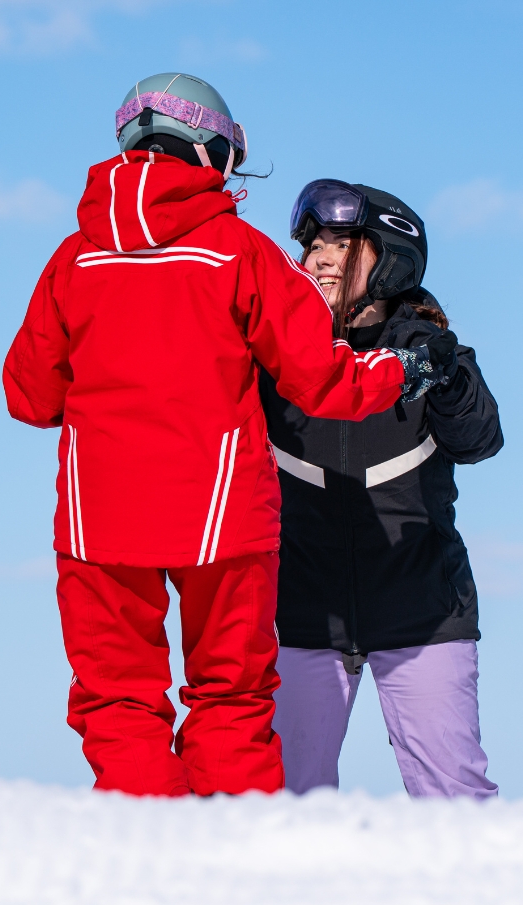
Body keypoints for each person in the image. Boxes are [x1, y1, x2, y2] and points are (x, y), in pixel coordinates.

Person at [3, 78, 451, 798]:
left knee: (118, 698)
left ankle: (145, 852)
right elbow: (323, 380)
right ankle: (229, 858)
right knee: (232, 696)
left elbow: (27, 395)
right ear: (211, 152)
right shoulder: (240, 254)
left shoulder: (72, 262)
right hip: (223, 519)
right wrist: (398, 371)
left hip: (98, 518)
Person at [261, 179, 502, 799]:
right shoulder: (279, 359)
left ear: (391, 256)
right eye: (311, 243)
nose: (315, 256)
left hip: (423, 613)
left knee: (455, 801)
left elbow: (479, 439)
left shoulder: (427, 353)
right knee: (283, 807)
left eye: (338, 242)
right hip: (302, 614)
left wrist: (444, 377)